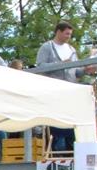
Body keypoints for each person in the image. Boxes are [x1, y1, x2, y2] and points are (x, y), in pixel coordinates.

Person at [36, 21, 85, 152]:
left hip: (70, 92)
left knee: (70, 124)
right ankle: (54, 151)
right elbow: (40, 66)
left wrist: (85, 70)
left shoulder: (72, 50)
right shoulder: (47, 47)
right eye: (67, 34)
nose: (69, 37)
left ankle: (71, 151)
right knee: (55, 124)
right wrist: (60, 64)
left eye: (70, 34)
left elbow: (76, 72)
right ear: (58, 32)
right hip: (54, 91)